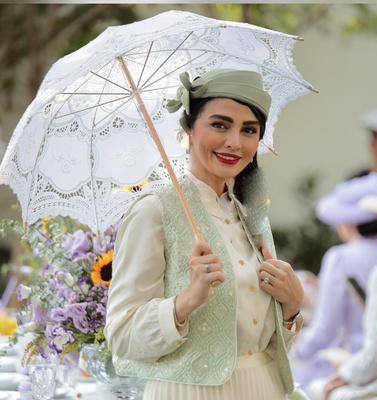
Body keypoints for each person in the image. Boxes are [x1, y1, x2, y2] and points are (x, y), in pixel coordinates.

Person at [104, 69, 305, 400]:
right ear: (189, 129)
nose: (234, 142)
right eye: (220, 125)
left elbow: (265, 342)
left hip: (264, 389)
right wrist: (186, 301)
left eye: (249, 130)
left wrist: (293, 306)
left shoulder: (252, 215)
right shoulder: (154, 210)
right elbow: (122, 336)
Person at [290, 173, 377, 390]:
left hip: (359, 359)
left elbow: (326, 328)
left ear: (348, 223)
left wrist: (297, 350)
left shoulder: (341, 258)